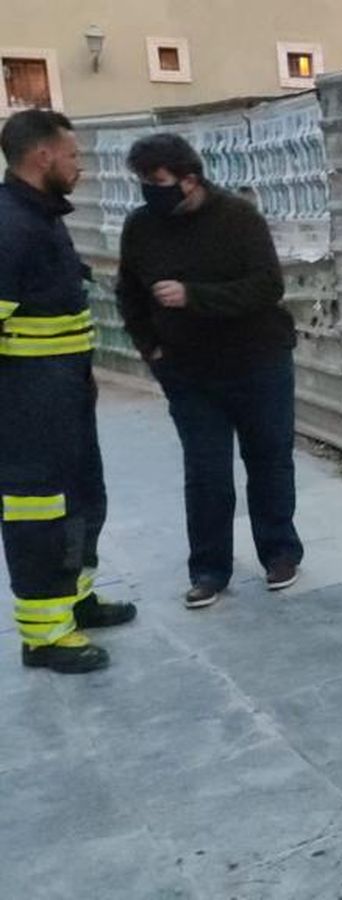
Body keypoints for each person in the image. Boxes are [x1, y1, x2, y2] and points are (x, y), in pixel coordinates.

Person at [116, 134, 303, 607]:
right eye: (143, 181)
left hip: (258, 362)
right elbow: (129, 295)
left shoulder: (237, 218)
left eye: (157, 180)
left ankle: (280, 553)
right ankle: (209, 570)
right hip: (188, 373)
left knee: (269, 460)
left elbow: (267, 286)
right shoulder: (140, 227)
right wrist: (151, 350)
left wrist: (193, 296)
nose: (149, 190)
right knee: (205, 473)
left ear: (189, 179)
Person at [0, 110, 136, 673]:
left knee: (82, 498)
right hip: (27, 408)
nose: (81, 166)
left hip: (64, 396)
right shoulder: (10, 226)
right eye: (73, 155)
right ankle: (45, 636)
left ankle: (75, 599)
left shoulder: (41, 215)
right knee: (40, 514)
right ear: (43, 157)